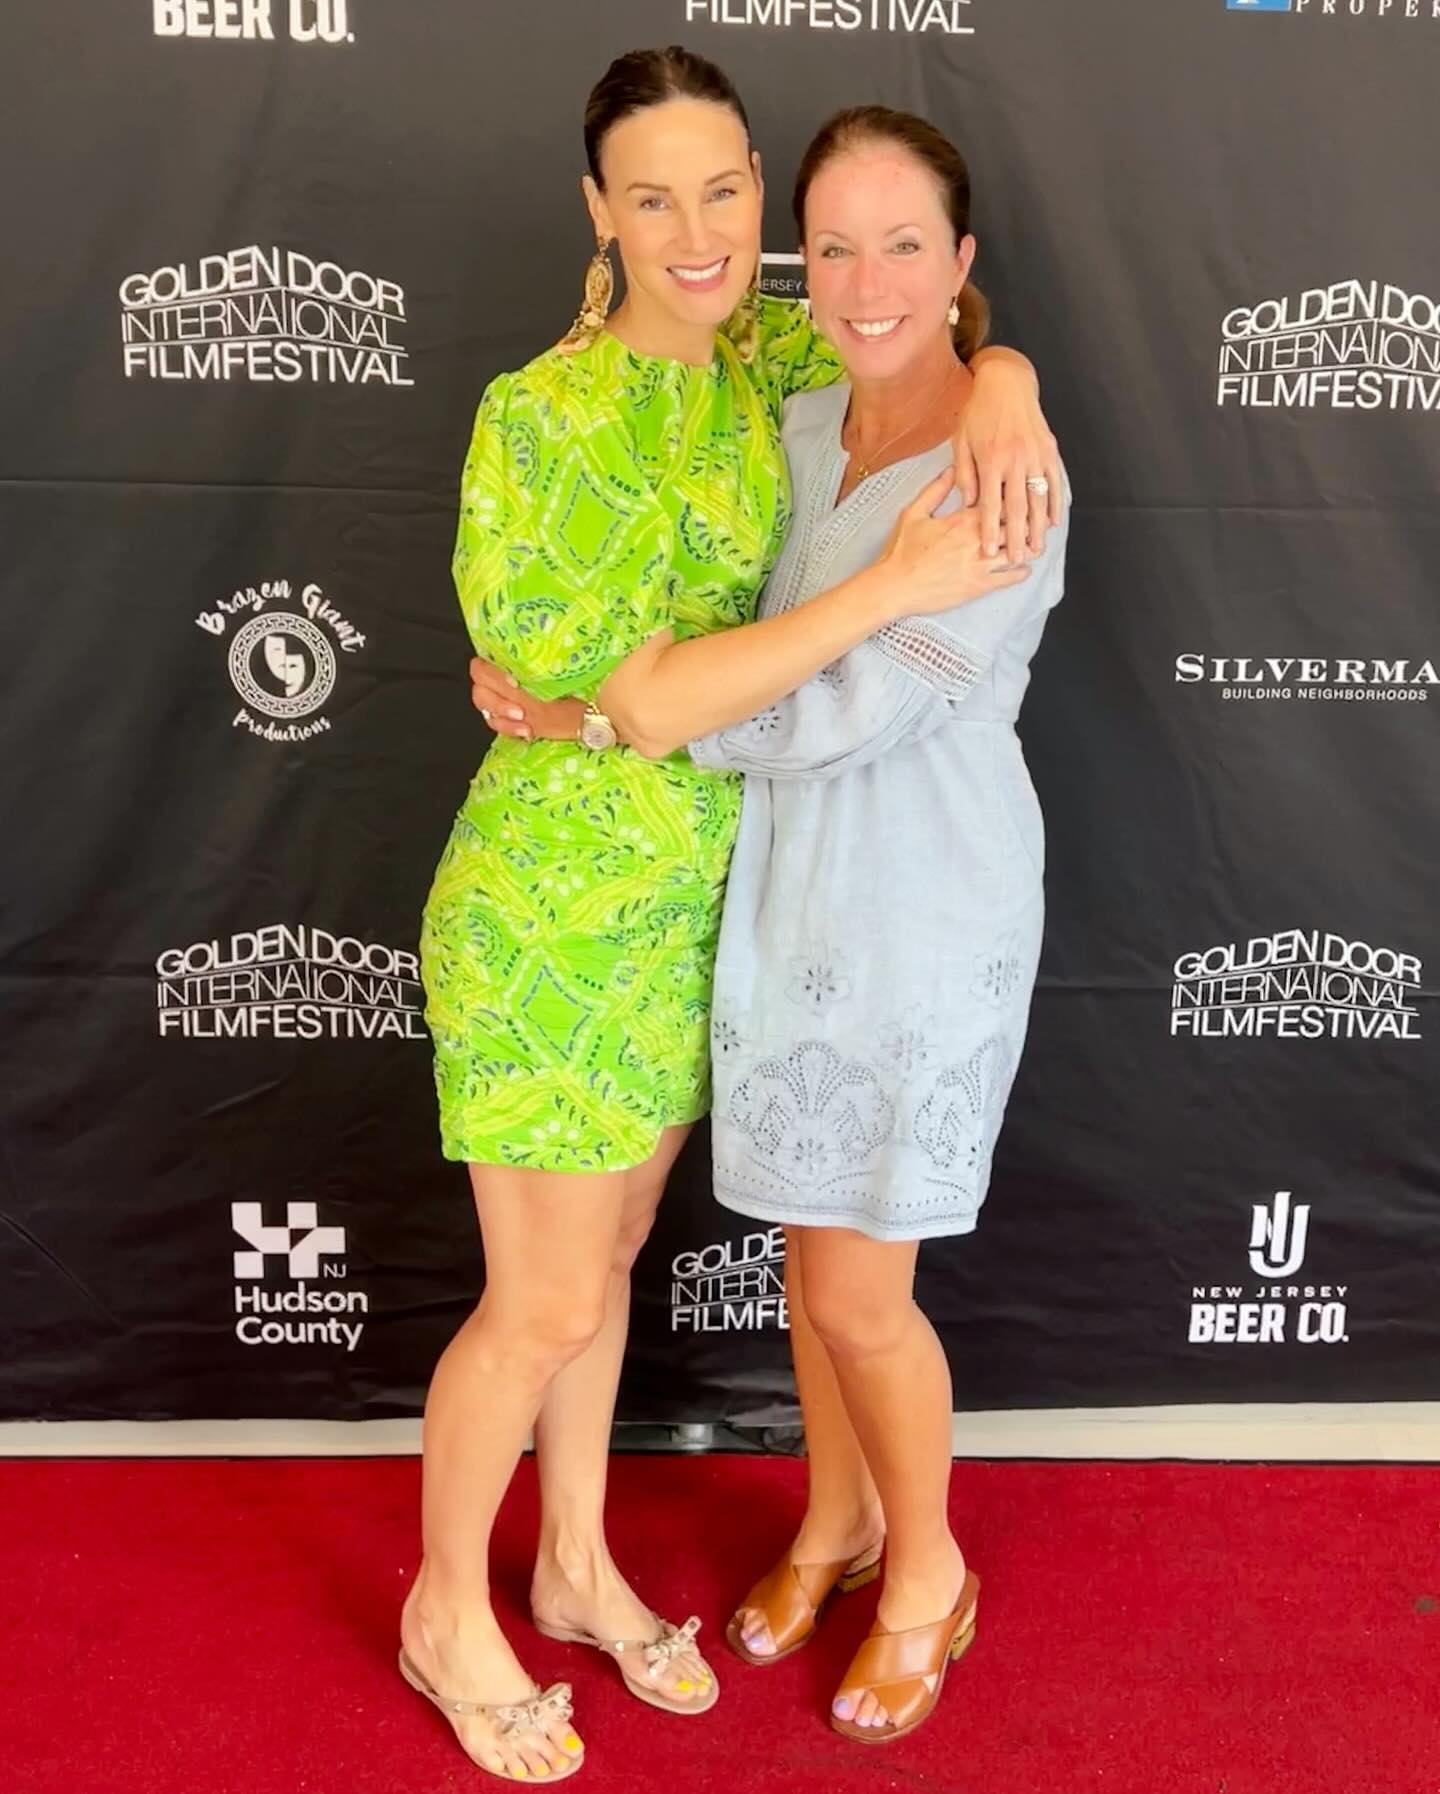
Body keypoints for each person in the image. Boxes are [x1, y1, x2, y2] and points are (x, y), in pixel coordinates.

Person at [409, 46, 1061, 1784]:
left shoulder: (775, 355)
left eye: (724, 192)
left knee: (611, 1264)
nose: (698, 231)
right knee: (545, 1299)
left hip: (720, 908)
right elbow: (616, 690)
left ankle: (571, 1562)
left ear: (757, 195)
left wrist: (1010, 378)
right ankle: (445, 1610)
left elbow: (921, 335)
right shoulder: (540, 416)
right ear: (598, 211)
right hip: (561, 908)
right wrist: (629, 698)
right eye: (653, 197)